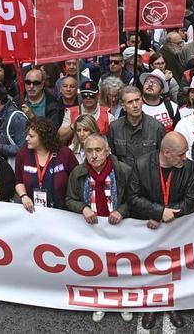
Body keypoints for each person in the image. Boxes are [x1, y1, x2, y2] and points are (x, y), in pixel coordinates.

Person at [126, 132, 194, 329]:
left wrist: (167, 214)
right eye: (181, 154)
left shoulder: (188, 167)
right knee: (151, 268)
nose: (185, 157)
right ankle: (151, 306)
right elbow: (132, 197)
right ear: (166, 153)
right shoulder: (141, 164)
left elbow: (191, 200)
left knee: (174, 269)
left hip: (176, 227)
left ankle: (173, 304)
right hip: (149, 228)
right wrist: (158, 212)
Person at [64, 133, 134, 324]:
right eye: (89, 151)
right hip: (92, 230)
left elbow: (134, 198)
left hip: (119, 228)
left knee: (120, 269)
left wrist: (121, 210)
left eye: (98, 150)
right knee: (97, 268)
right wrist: (83, 208)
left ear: (107, 151)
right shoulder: (78, 173)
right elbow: (70, 199)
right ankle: (100, 302)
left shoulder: (124, 171)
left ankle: (123, 302)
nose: (94, 155)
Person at [14, 117, 76, 212]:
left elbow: (76, 181)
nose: (27, 138)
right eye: (27, 135)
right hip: (33, 212)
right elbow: (18, 181)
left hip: (62, 212)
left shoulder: (65, 153)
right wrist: (24, 196)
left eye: (31, 136)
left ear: (43, 137)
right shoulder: (23, 154)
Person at [108, 85, 164, 167]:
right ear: (123, 106)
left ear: (141, 101)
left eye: (137, 100)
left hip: (148, 177)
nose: (135, 105)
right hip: (124, 177)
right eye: (130, 102)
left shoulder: (156, 127)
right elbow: (111, 157)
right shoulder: (114, 127)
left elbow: (162, 157)